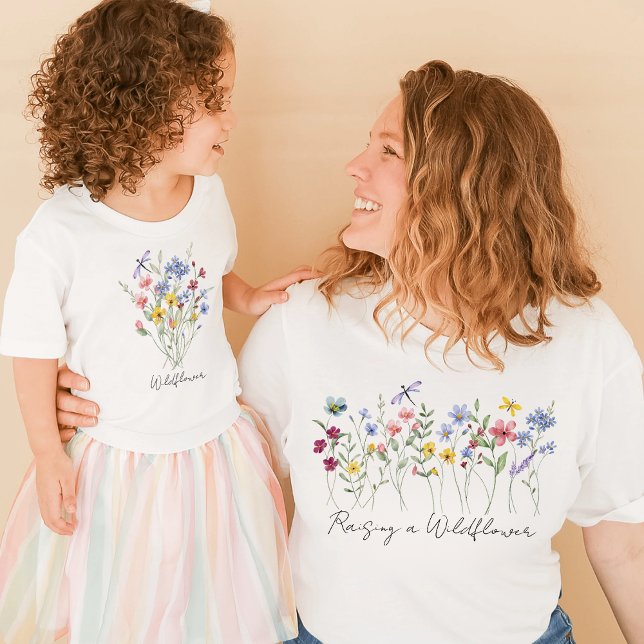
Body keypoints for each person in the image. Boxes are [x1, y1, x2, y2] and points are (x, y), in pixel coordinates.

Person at [55, 60, 644, 643]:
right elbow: (211, 474)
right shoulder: (305, 319)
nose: (354, 166)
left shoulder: (584, 340)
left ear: (465, 184)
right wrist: (107, 404)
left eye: (388, 151)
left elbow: (625, 544)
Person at [0, 1, 305, 642]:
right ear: (143, 110)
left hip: (213, 449)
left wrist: (247, 297)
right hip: (118, 464)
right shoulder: (62, 232)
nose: (231, 118)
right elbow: (30, 349)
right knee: (123, 606)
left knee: (213, 603)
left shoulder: (208, 192)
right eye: (214, 103)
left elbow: (209, 271)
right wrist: (47, 451)